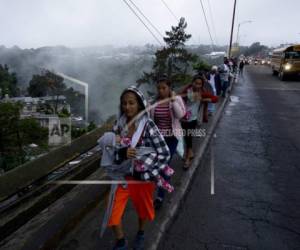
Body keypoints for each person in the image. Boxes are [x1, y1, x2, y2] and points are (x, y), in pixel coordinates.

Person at [100, 86, 171, 250]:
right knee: (112, 210)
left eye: (131, 103)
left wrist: (148, 173)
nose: (127, 107)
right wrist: (123, 152)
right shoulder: (119, 125)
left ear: (139, 104)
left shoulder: (148, 126)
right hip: (122, 177)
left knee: (143, 210)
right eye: (124, 103)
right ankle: (120, 240)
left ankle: (140, 232)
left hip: (142, 179)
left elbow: (164, 153)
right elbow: (112, 152)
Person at [149, 76, 186, 209]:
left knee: (163, 164)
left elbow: (180, 115)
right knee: (161, 165)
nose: (161, 91)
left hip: (172, 138)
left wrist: (173, 100)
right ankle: (166, 182)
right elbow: (150, 119)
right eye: (159, 88)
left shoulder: (176, 100)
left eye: (164, 88)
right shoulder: (154, 102)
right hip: (158, 140)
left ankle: (160, 196)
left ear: (169, 88)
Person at [179, 75, 218, 169]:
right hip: (183, 118)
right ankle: (189, 153)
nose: (197, 85)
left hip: (193, 119)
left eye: (199, 84)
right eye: (195, 83)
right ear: (192, 82)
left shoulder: (202, 93)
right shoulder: (187, 90)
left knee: (188, 137)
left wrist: (205, 99)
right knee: (185, 137)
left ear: (201, 85)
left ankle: (188, 157)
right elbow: (178, 97)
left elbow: (215, 99)